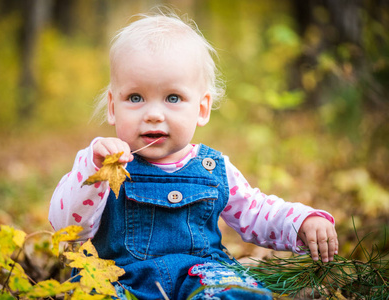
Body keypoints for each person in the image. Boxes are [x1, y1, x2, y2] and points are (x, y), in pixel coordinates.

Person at [49, 11, 338, 300]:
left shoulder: (213, 168)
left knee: (235, 292)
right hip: (119, 278)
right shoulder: (102, 163)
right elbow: (66, 228)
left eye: (173, 98)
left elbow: (257, 211)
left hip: (202, 275)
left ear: (201, 109)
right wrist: (94, 171)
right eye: (135, 98)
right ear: (113, 106)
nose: (153, 114)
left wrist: (301, 221)